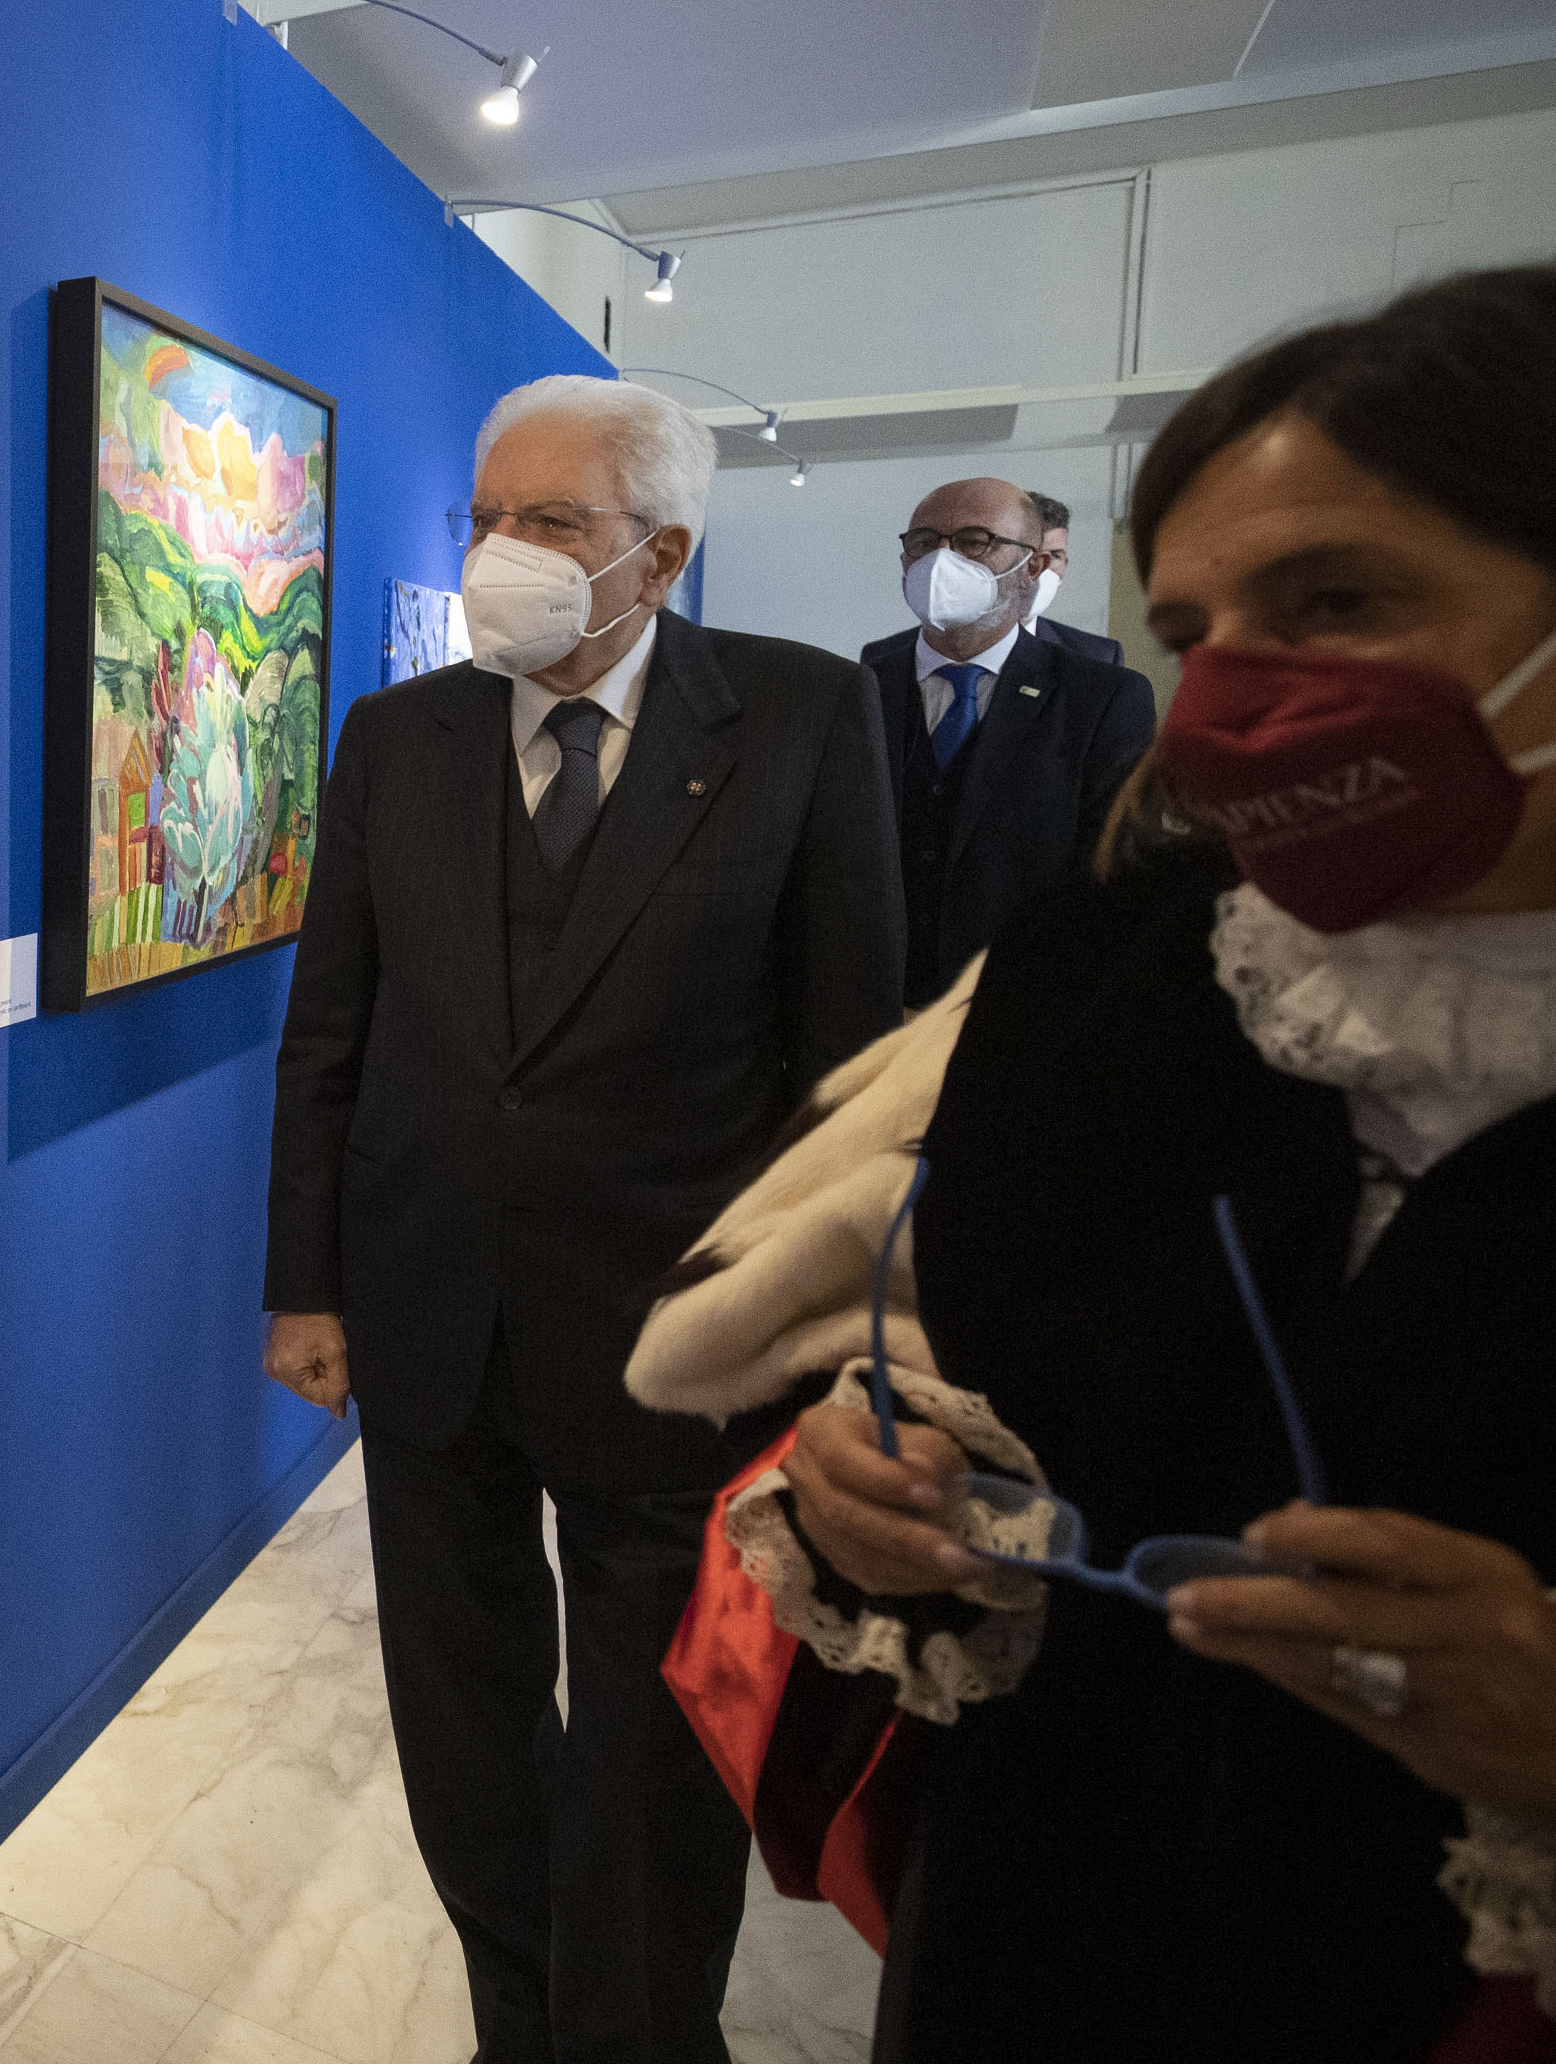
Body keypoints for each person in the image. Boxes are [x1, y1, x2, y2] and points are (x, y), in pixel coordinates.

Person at [628, 265, 1556, 2061]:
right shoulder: (1100, 974)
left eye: (1337, 599)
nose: (1238, 691)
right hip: (1038, 1917)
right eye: (1199, 627)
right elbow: (963, 1368)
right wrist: (867, 1491)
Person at [264, 375, 905, 2064]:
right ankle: (516, 2022)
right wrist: (301, 1283)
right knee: (465, 1738)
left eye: (548, 520)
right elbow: (328, 1031)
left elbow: (847, 1065)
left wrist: (833, 1336)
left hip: (678, 1346)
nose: (502, 550)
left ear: (660, 551)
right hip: (428, 1323)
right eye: (484, 516)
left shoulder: (796, 715)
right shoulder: (394, 735)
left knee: (648, 1761)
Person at [862, 477, 1156, 1003]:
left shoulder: (1102, 698)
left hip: (1024, 1001)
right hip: (873, 1002)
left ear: (1034, 567)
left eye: (975, 541)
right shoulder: (858, 690)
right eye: (924, 543)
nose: (942, 561)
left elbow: (1115, 872)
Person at [1021, 491, 1129, 668]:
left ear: (1065, 564)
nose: (1042, 566)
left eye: (1055, 555)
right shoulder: (968, 645)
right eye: (1032, 553)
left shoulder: (1098, 657)